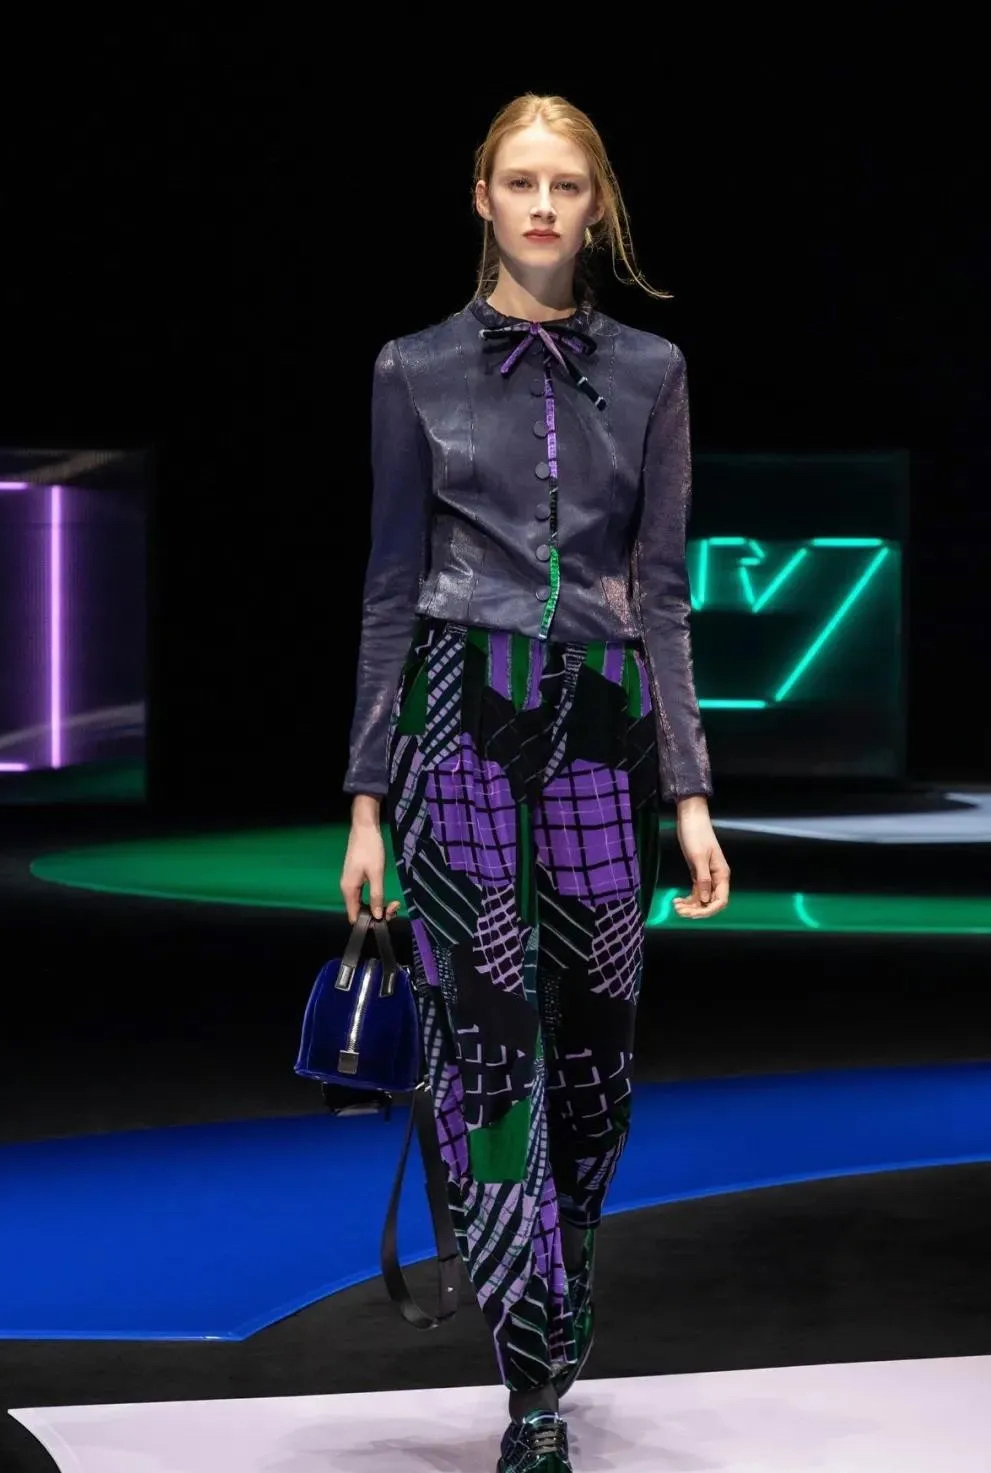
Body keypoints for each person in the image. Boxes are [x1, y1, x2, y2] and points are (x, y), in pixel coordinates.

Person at [339, 92, 731, 1473]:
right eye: (521, 182)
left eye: (567, 184)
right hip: (458, 719)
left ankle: (555, 1325)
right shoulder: (415, 368)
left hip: (605, 728)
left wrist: (691, 791)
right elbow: (391, 585)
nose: (545, 206)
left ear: (597, 203)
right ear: (483, 197)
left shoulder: (655, 372)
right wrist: (366, 796)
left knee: (597, 1067)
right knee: (489, 1053)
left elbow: (663, 593)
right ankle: (535, 1387)